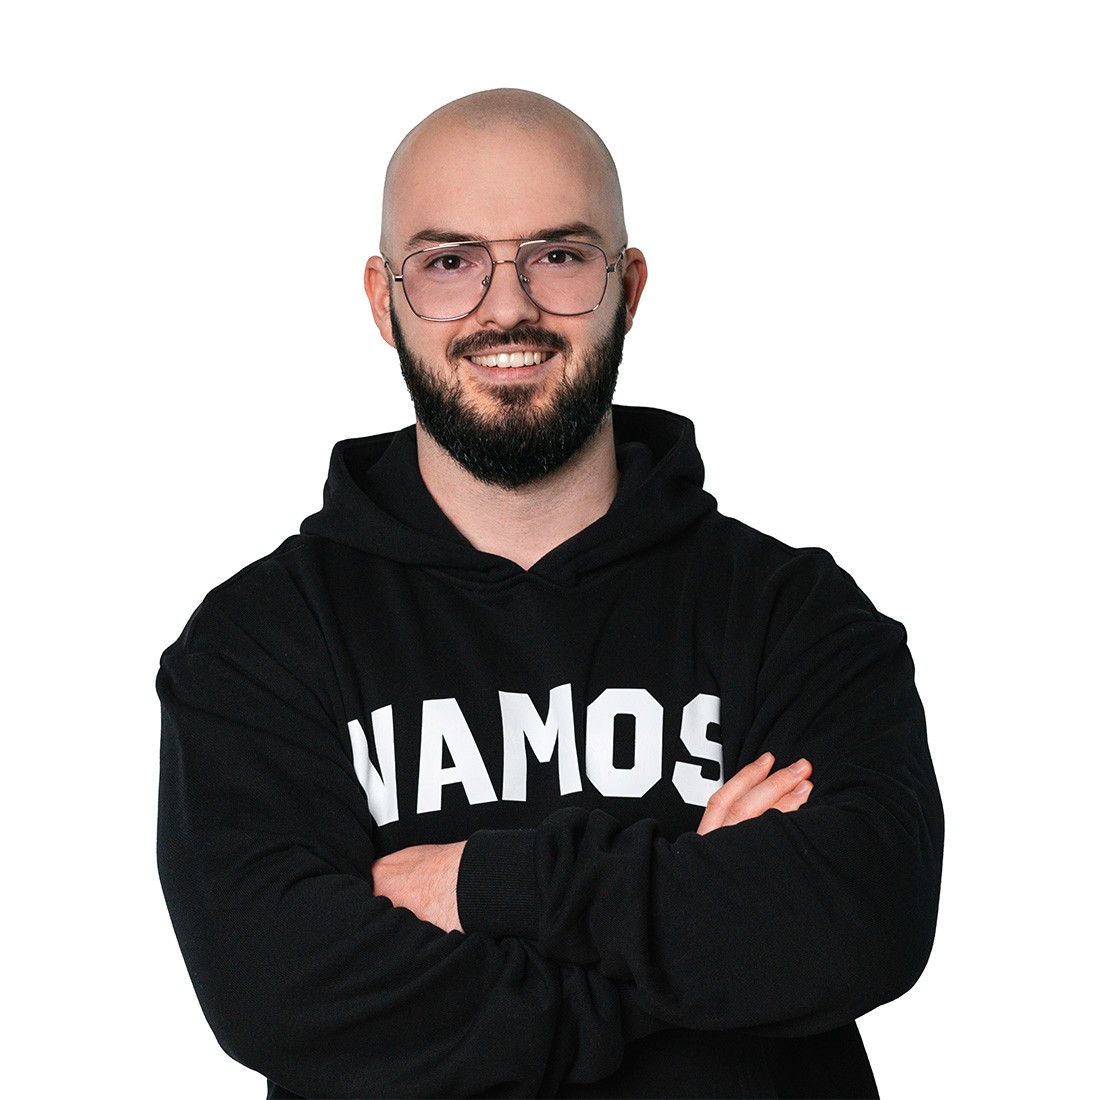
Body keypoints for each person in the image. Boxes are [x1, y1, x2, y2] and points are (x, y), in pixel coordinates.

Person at [157, 88, 943, 1099]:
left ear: (629, 287)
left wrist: (484, 883)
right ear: (382, 299)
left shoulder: (795, 616)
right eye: (449, 262)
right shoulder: (261, 641)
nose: (507, 308)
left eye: (558, 256)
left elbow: (860, 922)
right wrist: (691, 919)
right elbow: (281, 991)